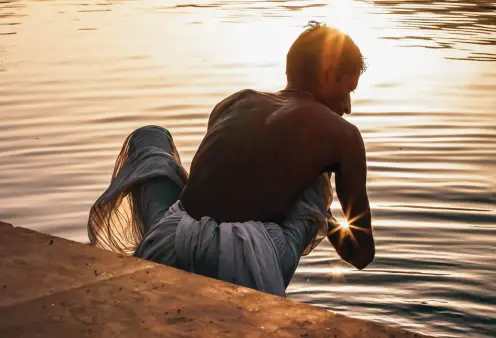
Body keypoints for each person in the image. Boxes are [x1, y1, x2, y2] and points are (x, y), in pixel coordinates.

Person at [87, 21, 375, 297]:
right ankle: (315, 213)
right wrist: (324, 219)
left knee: (149, 136)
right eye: (347, 91)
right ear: (328, 71)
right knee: (316, 182)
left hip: (168, 244)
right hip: (249, 263)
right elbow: (362, 253)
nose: (347, 107)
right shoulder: (344, 135)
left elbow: (225, 181)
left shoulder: (233, 103)